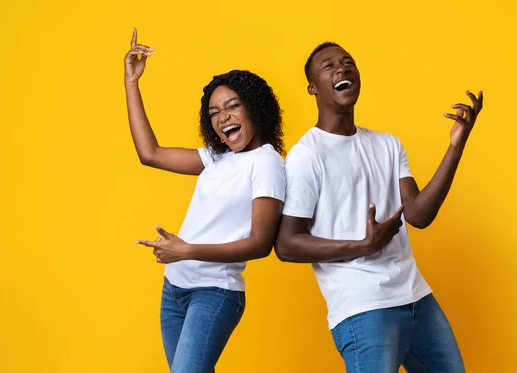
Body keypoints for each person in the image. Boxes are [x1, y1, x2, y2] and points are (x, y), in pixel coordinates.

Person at [275, 41, 483, 373]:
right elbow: (286, 244)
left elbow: (418, 215)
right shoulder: (307, 155)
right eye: (328, 66)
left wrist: (455, 147)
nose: (341, 68)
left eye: (348, 62)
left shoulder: (387, 144)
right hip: (363, 307)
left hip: (416, 297)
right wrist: (363, 245)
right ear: (312, 87)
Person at [125, 29, 286, 373]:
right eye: (214, 112)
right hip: (174, 289)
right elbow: (149, 153)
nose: (223, 117)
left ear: (255, 108)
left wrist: (188, 250)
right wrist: (131, 84)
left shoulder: (268, 163)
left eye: (232, 106)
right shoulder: (216, 157)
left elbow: (260, 244)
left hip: (215, 292)